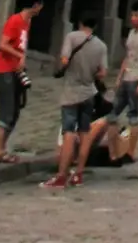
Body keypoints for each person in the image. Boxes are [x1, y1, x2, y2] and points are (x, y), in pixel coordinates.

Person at [44, 14, 108, 190]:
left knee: (68, 132)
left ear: (80, 23)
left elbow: (64, 60)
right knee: (85, 132)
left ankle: (61, 175)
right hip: (89, 93)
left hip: (71, 92)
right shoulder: (101, 46)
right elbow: (102, 73)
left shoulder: (71, 37)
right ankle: (78, 173)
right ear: (94, 26)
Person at [0, 0, 42, 164]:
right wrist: (19, 55)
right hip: (4, 69)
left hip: (16, 71)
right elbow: (2, 44)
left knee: (15, 110)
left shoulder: (26, 23)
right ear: (36, 5)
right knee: (7, 109)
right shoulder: (15, 21)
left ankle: (3, 148)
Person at [108, 0, 138, 157]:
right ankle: (113, 152)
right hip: (127, 76)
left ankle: (131, 151)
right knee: (112, 114)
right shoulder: (131, 33)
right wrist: (119, 77)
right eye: (132, 15)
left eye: (136, 15)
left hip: (137, 77)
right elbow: (127, 56)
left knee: (133, 116)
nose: (133, 18)